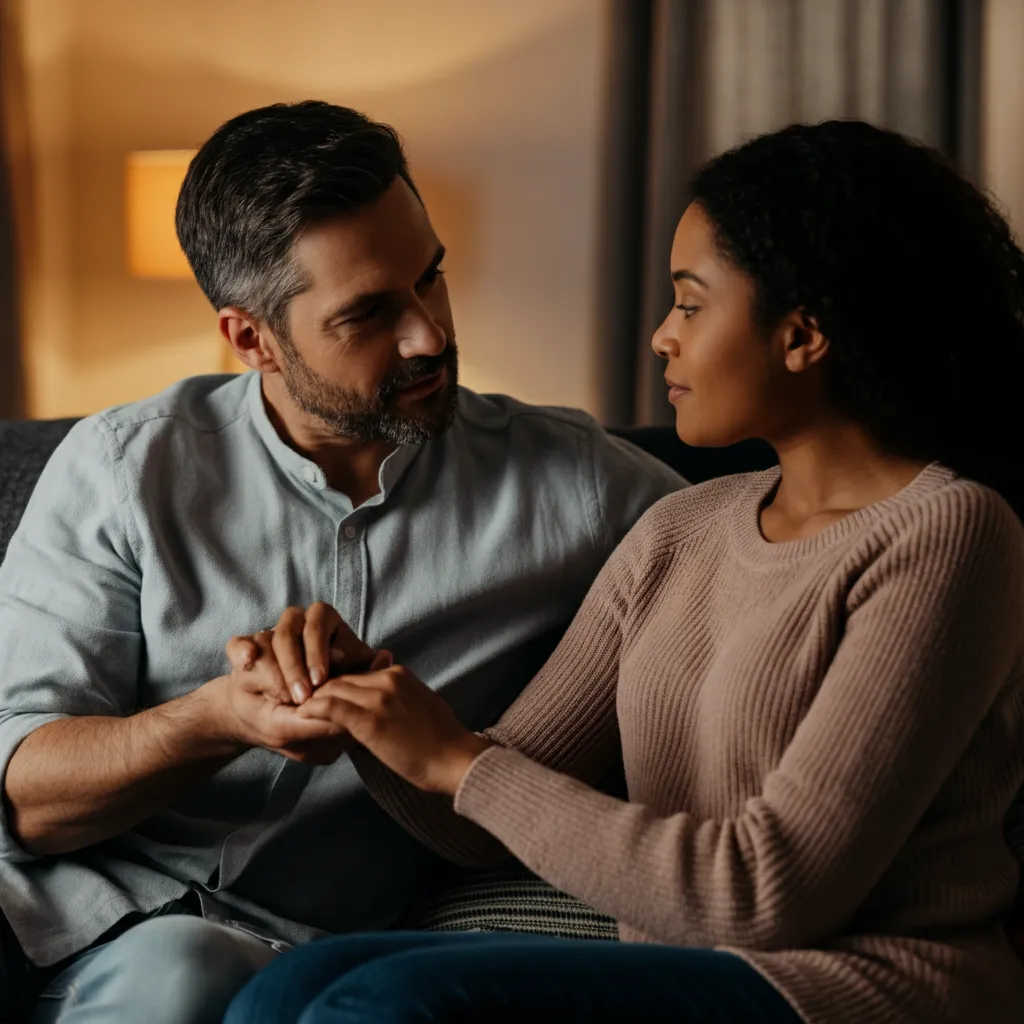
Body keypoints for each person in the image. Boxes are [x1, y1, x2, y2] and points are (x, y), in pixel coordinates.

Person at [224, 119, 1024, 1024]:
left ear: (802, 335)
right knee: (287, 986)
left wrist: (456, 759)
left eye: (689, 303)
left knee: (389, 1001)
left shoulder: (948, 534)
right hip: (685, 971)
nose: (660, 338)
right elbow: (477, 819)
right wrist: (361, 699)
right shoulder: (681, 528)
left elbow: (767, 897)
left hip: (863, 991)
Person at [0, 101, 684, 1023]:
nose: (430, 336)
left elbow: (775, 547)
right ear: (250, 339)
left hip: (296, 961)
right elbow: (27, 796)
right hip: (58, 917)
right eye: (368, 314)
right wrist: (214, 720)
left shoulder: (581, 487)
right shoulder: (124, 469)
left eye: (431, 280)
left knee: (185, 976)